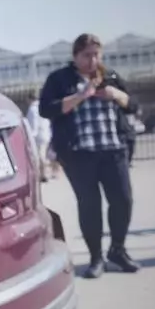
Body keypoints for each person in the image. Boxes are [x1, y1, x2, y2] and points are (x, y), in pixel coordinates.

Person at [39, 33, 140, 279]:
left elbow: (133, 105)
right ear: (75, 56)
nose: (92, 60)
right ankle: (96, 257)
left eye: (96, 55)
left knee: (123, 200)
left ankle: (118, 250)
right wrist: (80, 96)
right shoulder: (59, 79)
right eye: (87, 55)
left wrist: (117, 95)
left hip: (113, 150)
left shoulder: (110, 76)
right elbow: (46, 109)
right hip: (79, 154)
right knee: (90, 205)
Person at [25, 97, 55, 182]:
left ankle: (44, 174)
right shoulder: (42, 106)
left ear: (29, 99)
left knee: (40, 157)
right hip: (46, 134)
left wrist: (31, 136)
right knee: (43, 155)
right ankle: (45, 174)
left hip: (38, 136)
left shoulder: (33, 109)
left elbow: (33, 123)